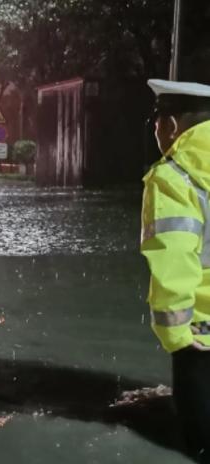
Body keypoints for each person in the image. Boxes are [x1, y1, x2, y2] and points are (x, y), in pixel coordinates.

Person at [141, 79, 210, 462]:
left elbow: (174, 258)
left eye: (157, 124)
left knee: (199, 446)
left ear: (171, 124)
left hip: (202, 336)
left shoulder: (174, 176)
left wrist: (176, 333)